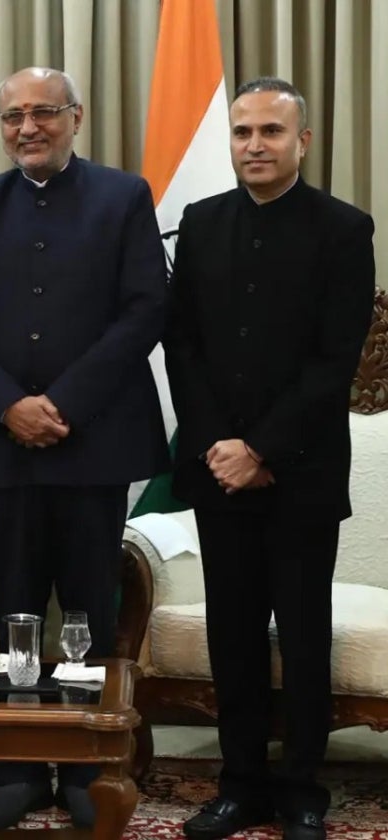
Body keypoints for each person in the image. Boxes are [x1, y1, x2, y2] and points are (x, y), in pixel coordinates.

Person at [0, 67, 168, 829]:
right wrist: (9, 406)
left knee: (91, 614)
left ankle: (85, 764)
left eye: (43, 113)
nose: (28, 128)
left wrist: (60, 403)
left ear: (77, 117)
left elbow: (144, 310)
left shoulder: (123, 197)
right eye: (13, 116)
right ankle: (18, 767)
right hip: (4, 448)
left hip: (91, 440)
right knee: (16, 613)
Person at [166, 77, 375, 840]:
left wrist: (261, 449)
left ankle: (302, 788)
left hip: (301, 473)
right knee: (234, 633)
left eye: (271, 133)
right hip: (220, 470)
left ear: (303, 142)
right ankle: (240, 783)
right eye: (243, 132)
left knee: (305, 631)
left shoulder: (345, 230)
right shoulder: (200, 220)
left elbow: (334, 360)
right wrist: (222, 446)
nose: (255, 145)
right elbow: (181, 344)